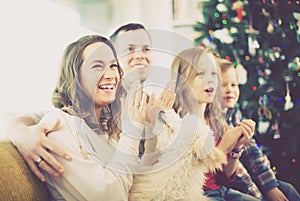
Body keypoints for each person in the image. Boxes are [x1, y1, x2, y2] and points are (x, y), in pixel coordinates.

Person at [6, 22, 166, 182]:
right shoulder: (93, 107)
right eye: (130, 49)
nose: (140, 55)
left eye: (146, 49)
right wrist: (20, 133)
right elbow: (37, 118)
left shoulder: (150, 101)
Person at [25, 34, 149, 200]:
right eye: (97, 66)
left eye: (113, 65)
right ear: (75, 77)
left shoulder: (106, 125)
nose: (111, 75)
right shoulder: (58, 125)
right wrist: (133, 131)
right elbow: (110, 196)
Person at [128, 47, 257, 200]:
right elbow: (179, 180)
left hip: (221, 191)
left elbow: (223, 178)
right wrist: (223, 148)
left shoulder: (216, 121)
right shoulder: (173, 122)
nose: (210, 80)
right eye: (200, 74)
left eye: (214, 74)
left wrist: (236, 149)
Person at [219, 58, 300, 201]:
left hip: (250, 178)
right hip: (233, 183)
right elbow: (236, 172)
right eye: (223, 85)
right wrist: (259, 194)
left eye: (233, 85)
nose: (230, 90)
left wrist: (270, 186)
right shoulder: (212, 121)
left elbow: (251, 151)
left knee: (287, 190)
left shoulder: (234, 113)